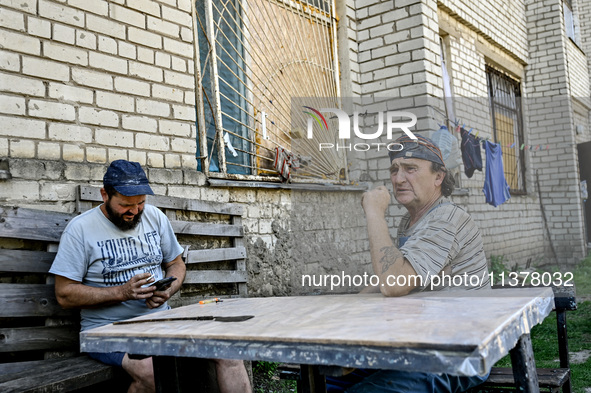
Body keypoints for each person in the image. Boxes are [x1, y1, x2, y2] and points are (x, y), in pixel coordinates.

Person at [50, 160, 252, 393]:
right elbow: (64, 294)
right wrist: (121, 293)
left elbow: (176, 264)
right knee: (153, 372)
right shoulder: (80, 229)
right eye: (126, 205)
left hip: (161, 322)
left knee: (228, 351)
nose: (134, 211)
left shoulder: (154, 217)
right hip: (106, 330)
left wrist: (168, 289)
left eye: (141, 203)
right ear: (104, 194)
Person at [327, 134, 490, 392]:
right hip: (421, 341)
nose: (398, 179)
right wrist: (347, 310)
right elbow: (391, 278)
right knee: (328, 381)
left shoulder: (446, 219)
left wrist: (373, 212)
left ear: (439, 177)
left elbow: (394, 283)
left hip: (457, 352)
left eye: (410, 169)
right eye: (394, 170)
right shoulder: (412, 221)